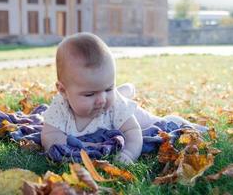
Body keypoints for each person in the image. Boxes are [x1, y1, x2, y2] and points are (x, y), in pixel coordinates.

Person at [41, 32, 163, 164]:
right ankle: (122, 90)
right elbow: (49, 136)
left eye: (108, 89)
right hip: (114, 102)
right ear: (63, 91)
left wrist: (128, 153)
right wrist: (73, 148)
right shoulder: (60, 108)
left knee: (155, 122)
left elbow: (132, 131)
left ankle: (122, 92)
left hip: (125, 113)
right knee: (114, 95)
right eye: (90, 94)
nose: (102, 100)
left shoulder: (115, 105)